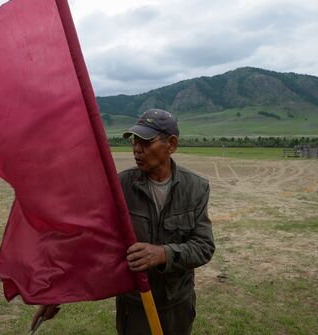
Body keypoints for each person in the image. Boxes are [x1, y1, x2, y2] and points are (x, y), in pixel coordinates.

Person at [31, 109, 215, 334]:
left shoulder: (196, 187)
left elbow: (204, 247)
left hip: (176, 305)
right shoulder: (121, 186)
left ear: (172, 144)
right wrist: (56, 293)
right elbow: (92, 242)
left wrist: (163, 253)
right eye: (135, 142)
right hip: (134, 305)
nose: (137, 149)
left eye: (146, 142)